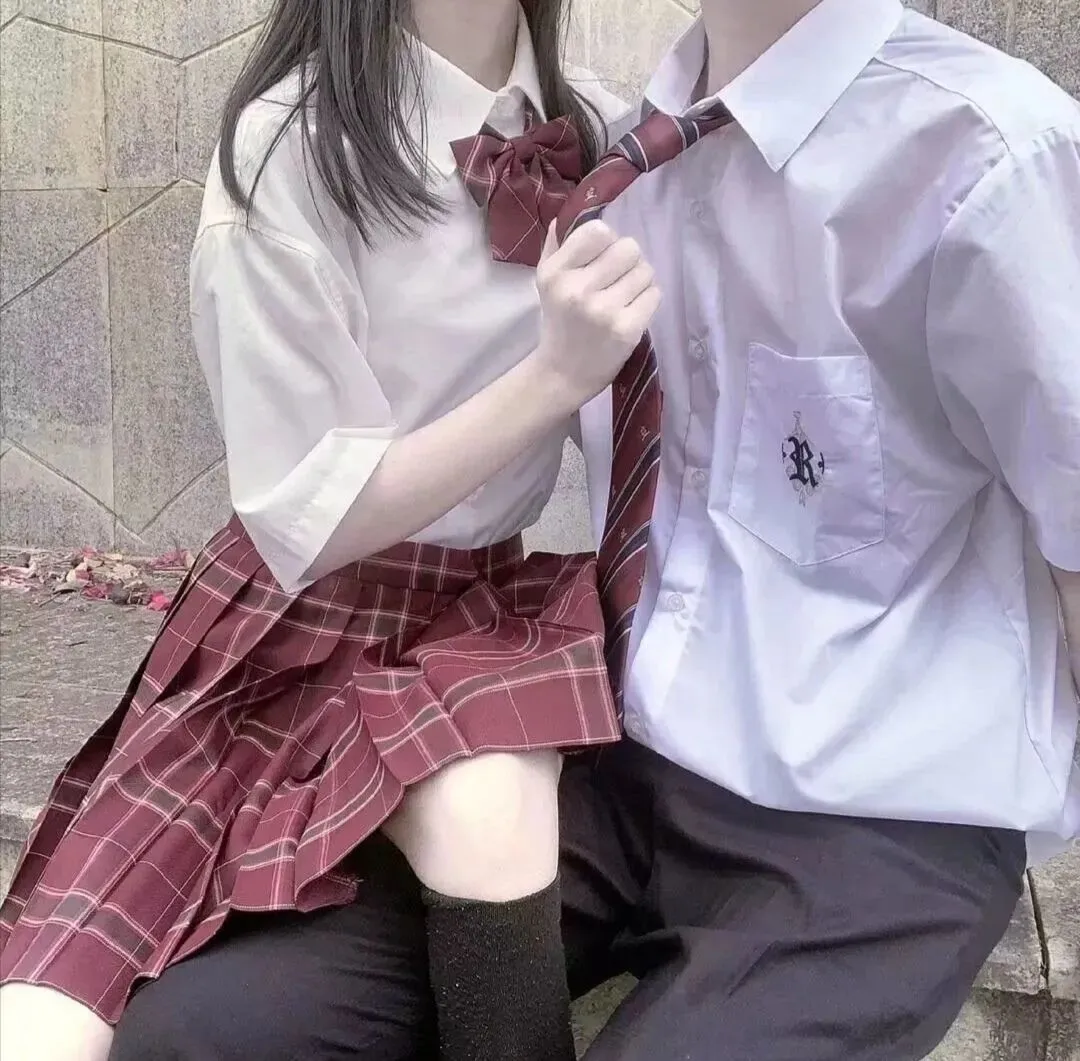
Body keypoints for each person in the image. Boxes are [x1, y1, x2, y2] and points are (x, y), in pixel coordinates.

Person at [67, 1, 1080, 1059]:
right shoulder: (619, 153)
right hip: (624, 764)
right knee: (202, 1034)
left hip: (876, 817)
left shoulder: (991, 155)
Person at [0, 1, 661, 1059]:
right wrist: (553, 377)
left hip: (477, 605)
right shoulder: (287, 147)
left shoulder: (605, 133)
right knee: (44, 1021)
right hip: (289, 628)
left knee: (492, 817)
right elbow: (309, 515)